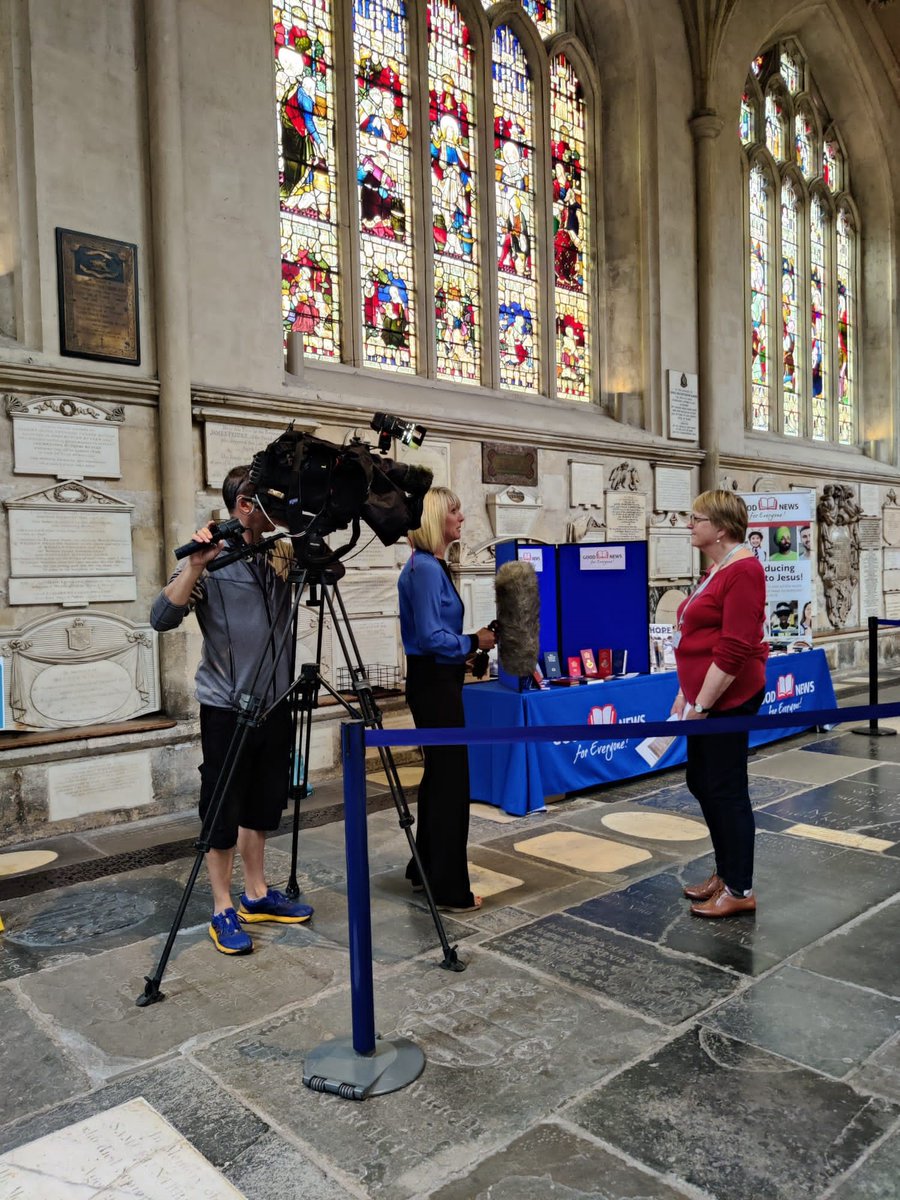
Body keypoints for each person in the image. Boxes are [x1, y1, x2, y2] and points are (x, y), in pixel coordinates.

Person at [150, 466, 314, 955]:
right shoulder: (212, 559)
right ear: (245, 504)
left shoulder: (281, 552)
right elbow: (162, 617)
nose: (280, 508)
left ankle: (257, 894)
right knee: (222, 809)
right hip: (227, 707)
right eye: (272, 499)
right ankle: (222, 906)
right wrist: (197, 564)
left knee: (263, 806)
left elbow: (331, 568)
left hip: (275, 704)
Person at [670, 490, 767, 918]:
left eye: (696, 518)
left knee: (726, 789)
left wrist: (703, 704)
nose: (689, 525)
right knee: (701, 781)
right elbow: (692, 637)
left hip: (729, 698)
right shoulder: (718, 568)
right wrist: (685, 694)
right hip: (705, 698)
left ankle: (740, 886)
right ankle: (726, 872)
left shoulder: (744, 570)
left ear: (720, 528)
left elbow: (734, 648)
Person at [398, 487, 495, 912]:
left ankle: (423, 869)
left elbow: (439, 637)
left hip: (441, 678)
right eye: (455, 510)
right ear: (436, 518)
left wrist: (469, 651)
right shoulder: (423, 569)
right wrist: (474, 639)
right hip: (433, 685)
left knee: (440, 778)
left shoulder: (432, 566)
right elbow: (430, 638)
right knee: (451, 784)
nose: (462, 517)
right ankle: (449, 888)